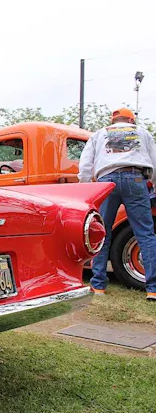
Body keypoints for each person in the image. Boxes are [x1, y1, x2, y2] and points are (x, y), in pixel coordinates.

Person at [78, 107, 156, 300]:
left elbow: (86, 164)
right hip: (135, 178)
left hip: (106, 180)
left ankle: (98, 286)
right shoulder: (142, 133)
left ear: (113, 121)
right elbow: (154, 161)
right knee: (145, 233)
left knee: (101, 232)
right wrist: (154, 184)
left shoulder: (99, 134)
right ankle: (152, 289)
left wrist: (85, 186)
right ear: (131, 121)